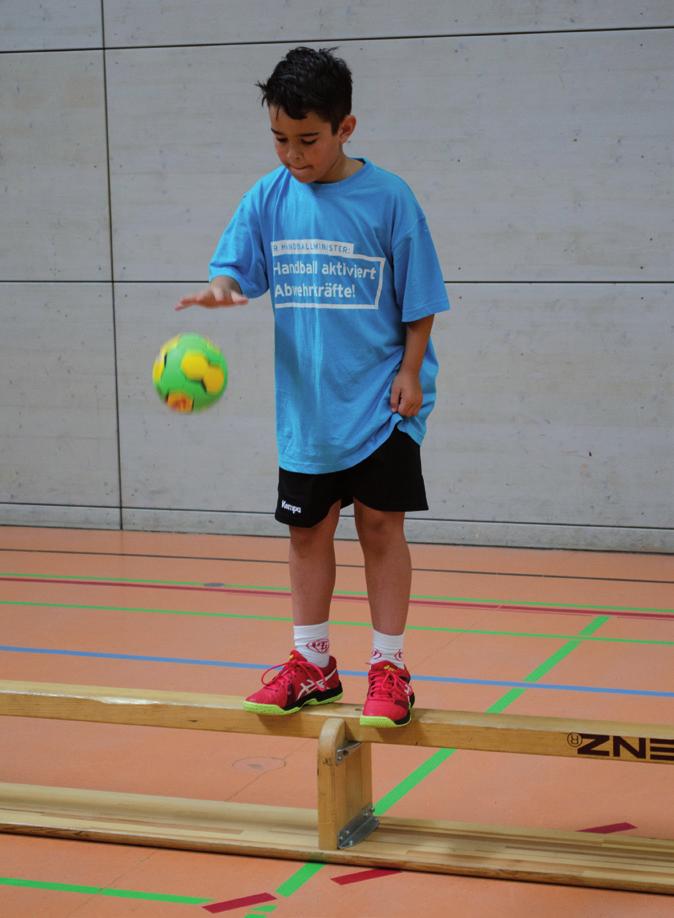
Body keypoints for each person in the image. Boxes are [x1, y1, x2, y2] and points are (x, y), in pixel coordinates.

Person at [176, 46, 449, 727]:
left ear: (345, 128)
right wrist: (221, 291)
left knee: (381, 527)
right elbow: (236, 268)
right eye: (279, 139)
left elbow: (421, 299)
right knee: (307, 535)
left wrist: (412, 370)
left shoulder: (389, 198)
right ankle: (313, 661)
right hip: (308, 410)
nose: (293, 155)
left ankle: (389, 666)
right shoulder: (269, 196)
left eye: (308, 140)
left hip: (382, 398)